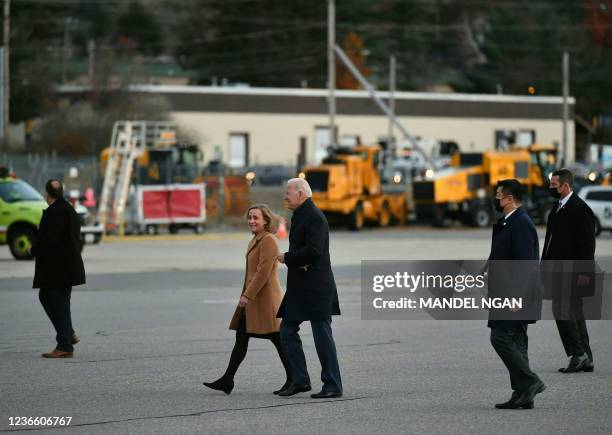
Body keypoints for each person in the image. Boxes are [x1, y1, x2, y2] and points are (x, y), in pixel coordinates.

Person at [204, 204, 291, 395]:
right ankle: (227, 380)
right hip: (254, 300)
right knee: (242, 338)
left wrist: (246, 295)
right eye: (249, 217)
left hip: (264, 300)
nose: (251, 221)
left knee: (277, 339)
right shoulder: (256, 240)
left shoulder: (268, 240)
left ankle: (295, 378)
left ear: (266, 221)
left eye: (256, 218)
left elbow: (262, 273)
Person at [275, 178, 343, 399]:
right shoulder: (301, 215)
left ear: (301, 194)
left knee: (322, 335)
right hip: (300, 286)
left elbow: (314, 251)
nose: (285, 196)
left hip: (316, 287)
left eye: (288, 193)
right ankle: (300, 380)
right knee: (286, 331)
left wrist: (287, 257)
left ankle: (332, 385)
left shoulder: (315, 218)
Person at [488, 179, 545, 409]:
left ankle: (531, 382)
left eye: (499, 196)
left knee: (500, 337)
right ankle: (523, 394)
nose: (497, 199)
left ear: (510, 199)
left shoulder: (521, 223)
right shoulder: (508, 222)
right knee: (518, 341)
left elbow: (526, 264)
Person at [542, 169, 596, 373]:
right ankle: (586, 357)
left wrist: (584, 273)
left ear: (566, 186)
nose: (550, 188)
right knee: (574, 312)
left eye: (554, 185)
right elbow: (551, 241)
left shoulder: (580, 209)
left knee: (562, 310)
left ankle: (578, 354)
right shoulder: (557, 207)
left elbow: (587, 245)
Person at [30, 179, 85, 358]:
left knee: (57, 302)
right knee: (47, 296)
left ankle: (65, 345)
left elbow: (49, 241)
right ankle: (67, 333)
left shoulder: (55, 213)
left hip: (59, 269)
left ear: (47, 193)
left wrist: (33, 249)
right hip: (64, 267)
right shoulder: (69, 209)